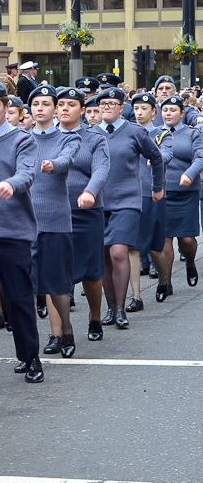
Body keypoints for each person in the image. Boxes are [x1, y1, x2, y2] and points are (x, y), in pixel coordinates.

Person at [0, 82, 44, 383]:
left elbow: (28, 172)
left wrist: (11, 184)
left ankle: (30, 358)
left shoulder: (22, 140)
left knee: (19, 299)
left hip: (13, 232)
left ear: (7, 109)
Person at [96, 87, 164, 330]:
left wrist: (158, 187)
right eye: (102, 103)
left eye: (111, 103)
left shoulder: (135, 132)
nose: (106, 107)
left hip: (127, 201)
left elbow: (155, 158)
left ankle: (121, 308)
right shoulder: (90, 133)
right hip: (98, 202)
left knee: (118, 253)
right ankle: (110, 307)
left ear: (121, 106)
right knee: (104, 255)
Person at [28, 86, 81, 357]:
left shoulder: (67, 138)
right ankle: (36, 345)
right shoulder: (21, 138)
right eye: (35, 103)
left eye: (46, 104)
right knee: (27, 287)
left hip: (56, 220)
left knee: (57, 285)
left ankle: (66, 330)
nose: (40, 108)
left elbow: (65, 160)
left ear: (55, 108)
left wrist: (52, 165)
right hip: (25, 223)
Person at [64, 89, 110, 342]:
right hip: (53, 212)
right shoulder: (42, 137)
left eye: (71, 105)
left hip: (87, 212)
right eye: (60, 104)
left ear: (82, 110)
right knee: (56, 272)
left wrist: (90, 192)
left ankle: (94, 316)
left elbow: (101, 169)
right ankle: (59, 331)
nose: (64, 109)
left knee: (91, 272)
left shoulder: (94, 138)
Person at [128, 93, 172, 307]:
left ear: (154, 112)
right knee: (133, 248)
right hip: (131, 195)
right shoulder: (128, 132)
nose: (139, 112)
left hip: (153, 194)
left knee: (155, 248)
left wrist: (155, 158)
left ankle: (164, 279)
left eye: (144, 108)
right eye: (136, 108)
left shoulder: (161, 134)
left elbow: (166, 154)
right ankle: (136, 297)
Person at [159, 95, 203, 291]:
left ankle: (190, 262)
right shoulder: (155, 133)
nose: (168, 113)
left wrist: (189, 174)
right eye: (165, 110)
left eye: (173, 110)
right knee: (165, 238)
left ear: (182, 113)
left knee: (186, 240)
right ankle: (166, 282)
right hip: (162, 192)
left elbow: (200, 157)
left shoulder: (192, 134)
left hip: (186, 192)